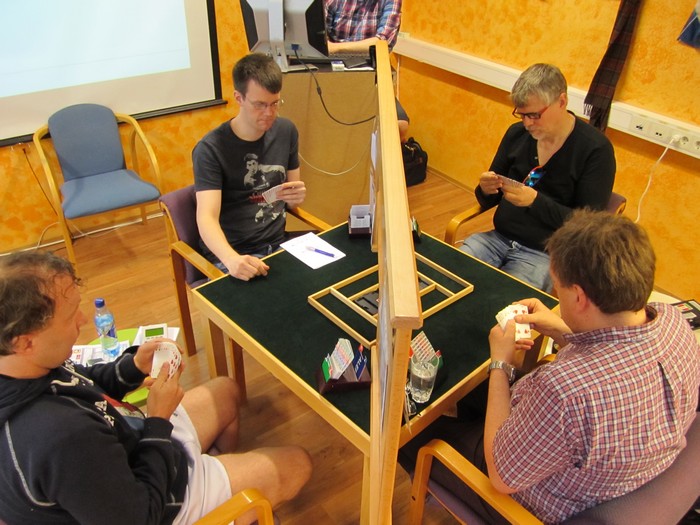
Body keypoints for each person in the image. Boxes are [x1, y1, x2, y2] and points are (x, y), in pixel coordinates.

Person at [400, 210, 700, 524]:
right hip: (622, 473)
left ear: (580, 297)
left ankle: (427, 481)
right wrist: (563, 330)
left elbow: (502, 476)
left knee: (407, 430)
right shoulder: (673, 320)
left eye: (558, 286)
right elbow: (617, 358)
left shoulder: (565, 391)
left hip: (530, 499)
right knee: (471, 392)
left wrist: (500, 363)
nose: (556, 293)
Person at [0, 252, 312, 525]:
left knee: (226, 389)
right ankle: (225, 503)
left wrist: (134, 366)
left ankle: (218, 475)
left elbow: (84, 380)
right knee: (298, 464)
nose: (82, 320)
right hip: (154, 502)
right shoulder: (61, 438)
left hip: (135, 447)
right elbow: (140, 517)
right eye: (70, 317)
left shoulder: (25, 365)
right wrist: (158, 420)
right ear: (25, 342)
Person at [460, 63, 616, 292]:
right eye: (522, 115)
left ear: (561, 101)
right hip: (497, 239)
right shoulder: (517, 134)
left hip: (543, 254)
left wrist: (535, 201)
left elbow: (588, 226)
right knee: (446, 276)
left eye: (534, 115)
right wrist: (485, 189)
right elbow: (488, 200)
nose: (527, 124)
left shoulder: (595, 149)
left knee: (506, 305)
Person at [193, 53, 307, 281]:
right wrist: (231, 259)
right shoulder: (210, 149)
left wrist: (296, 197)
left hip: (278, 244)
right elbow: (206, 217)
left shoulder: (286, 131)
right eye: (260, 105)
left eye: (275, 103)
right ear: (239, 98)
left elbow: (291, 200)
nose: (269, 113)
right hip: (235, 252)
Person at [324, 0, 410, 141]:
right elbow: (318, 39)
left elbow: (383, 42)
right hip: (331, 75)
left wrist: (336, 48)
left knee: (399, 126)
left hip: (370, 77)